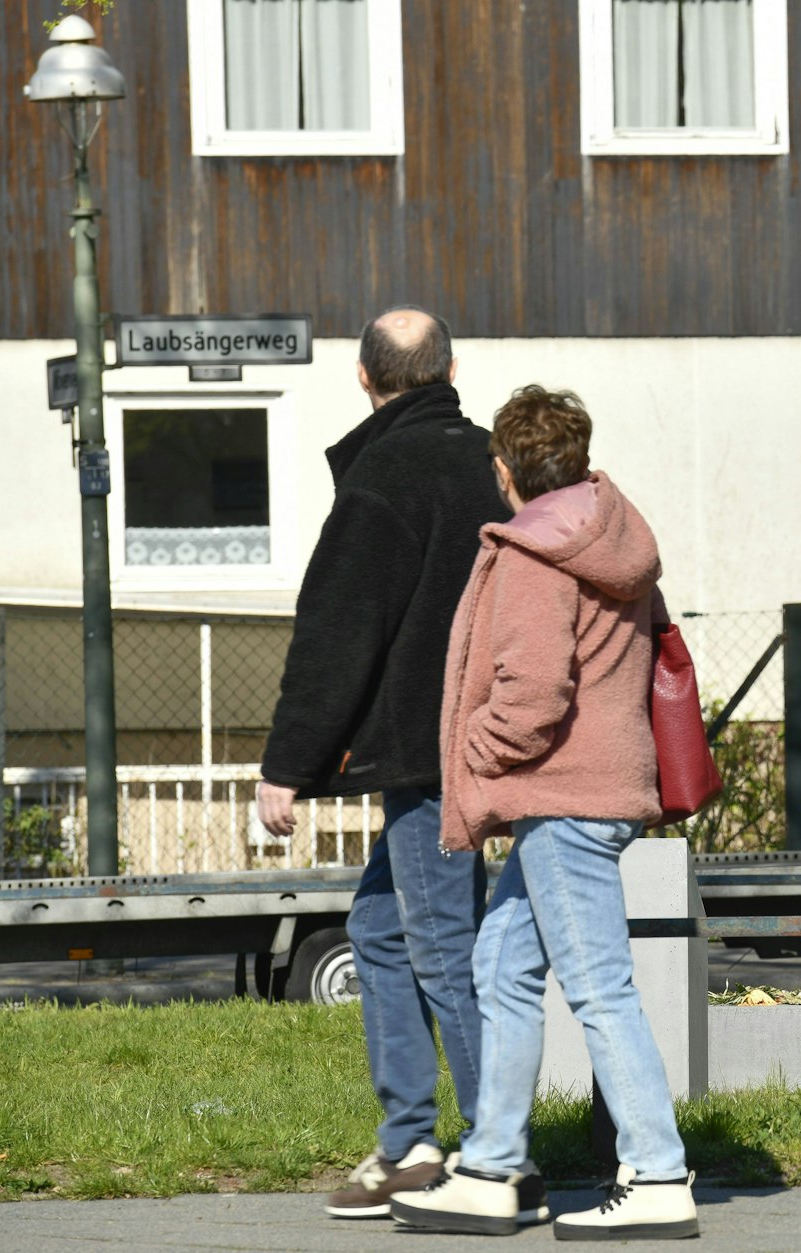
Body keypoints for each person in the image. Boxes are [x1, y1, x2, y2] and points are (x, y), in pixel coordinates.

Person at [255, 307, 544, 1223]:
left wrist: (286, 764)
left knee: (443, 944)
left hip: (428, 759)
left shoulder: (383, 476)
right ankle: (411, 1142)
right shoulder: (492, 463)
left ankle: (499, 1157)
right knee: (379, 928)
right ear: (451, 368)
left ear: (363, 376)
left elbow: (338, 630)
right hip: (489, 740)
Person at [389, 386, 698, 1240]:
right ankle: (492, 1165)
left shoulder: (532, 554)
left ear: (504, 470)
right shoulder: (612, 535)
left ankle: (658, 1170)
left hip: (561, 797)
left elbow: (531, 695)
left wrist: (476, 750)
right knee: (501, 967)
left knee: (599, 989)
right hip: (597, 790)